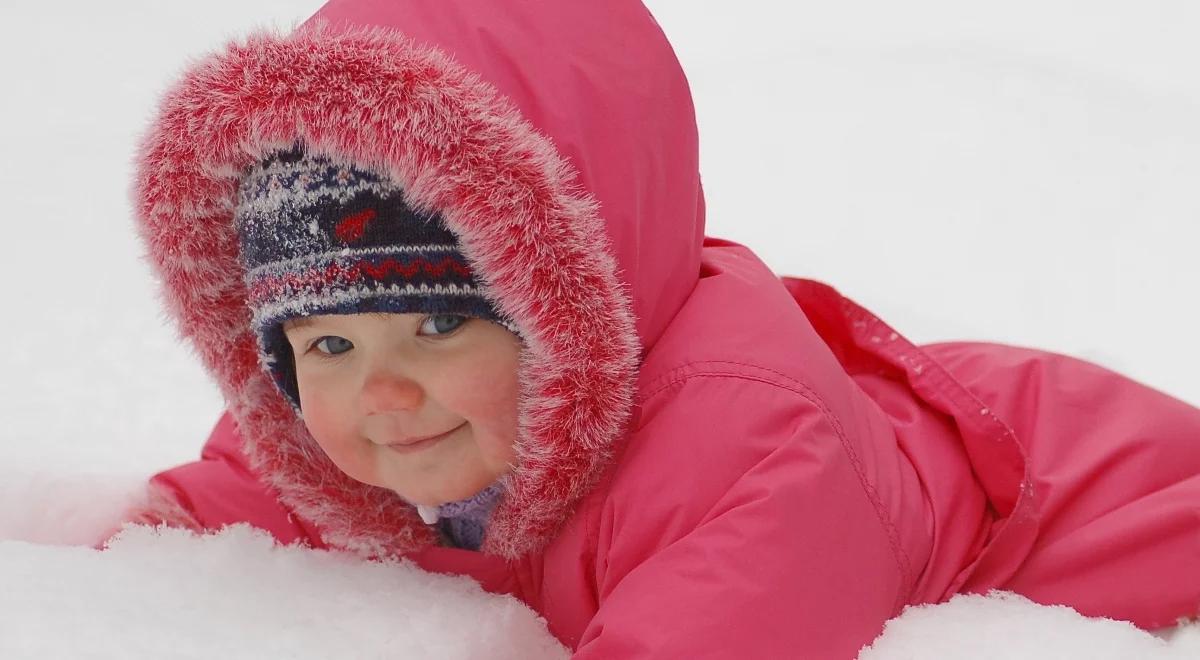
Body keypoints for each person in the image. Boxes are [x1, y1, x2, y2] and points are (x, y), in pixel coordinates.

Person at [114, 0, 1200, 656]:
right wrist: (139, 558)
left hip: (1109, 494)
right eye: (330, 345)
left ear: (564, 307)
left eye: (439, 323)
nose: (381, 394)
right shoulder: (342, 435)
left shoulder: (747, 460)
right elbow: (245, 500)